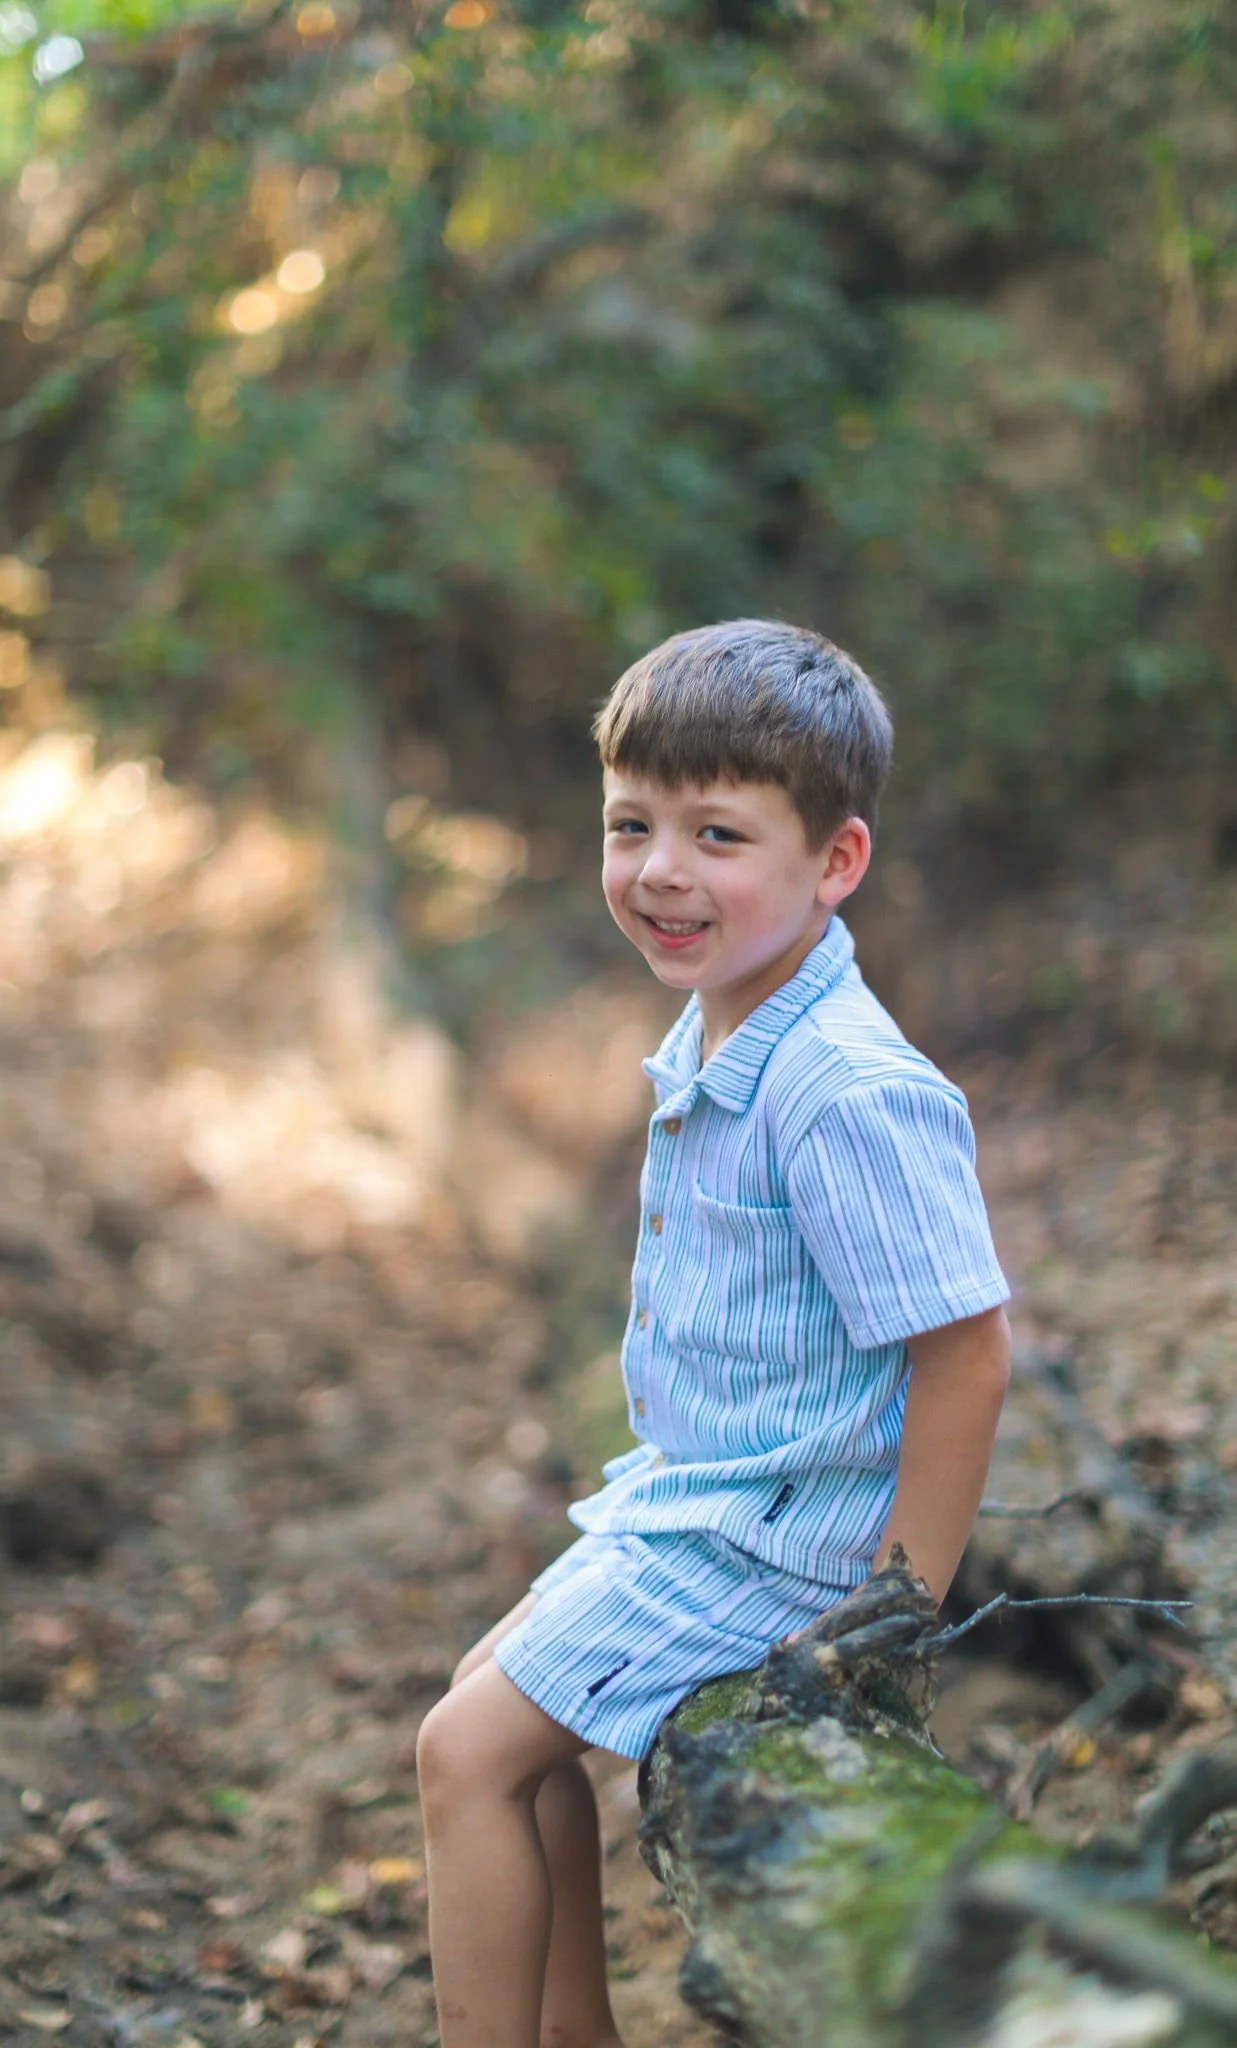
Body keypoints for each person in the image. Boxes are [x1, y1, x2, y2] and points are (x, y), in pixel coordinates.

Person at [416, 619, 1012, 2048]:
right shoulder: (724, 1017)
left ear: (835, 862)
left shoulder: (846, 1087)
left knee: (463, 1756)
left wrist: (891, 1615)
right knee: (485, 1705)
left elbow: (967, 1353)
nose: (662, 870)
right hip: (702, 1493)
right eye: (632, 824)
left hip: (784, 1535)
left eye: (720, 834)